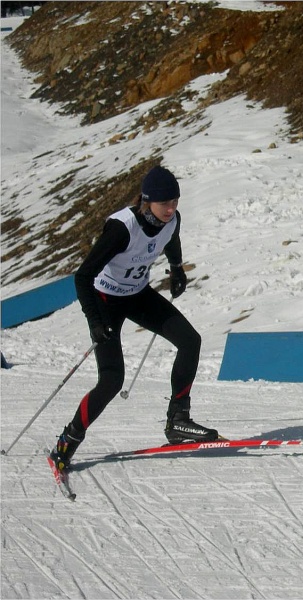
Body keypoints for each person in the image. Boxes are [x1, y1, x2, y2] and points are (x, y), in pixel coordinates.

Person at [49, 165, 218, 472]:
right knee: (112, 380)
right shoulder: (122, 228)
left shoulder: (172, 219)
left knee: (190, 341)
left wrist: (177, 269)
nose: (171, 209)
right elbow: (83, 276)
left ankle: (178, 419)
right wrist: (95, 321)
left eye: (175, 201)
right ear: (147, 201)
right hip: (105, 300)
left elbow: (171, 239)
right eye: (164, 203)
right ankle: (67, 442)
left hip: (138, 295)